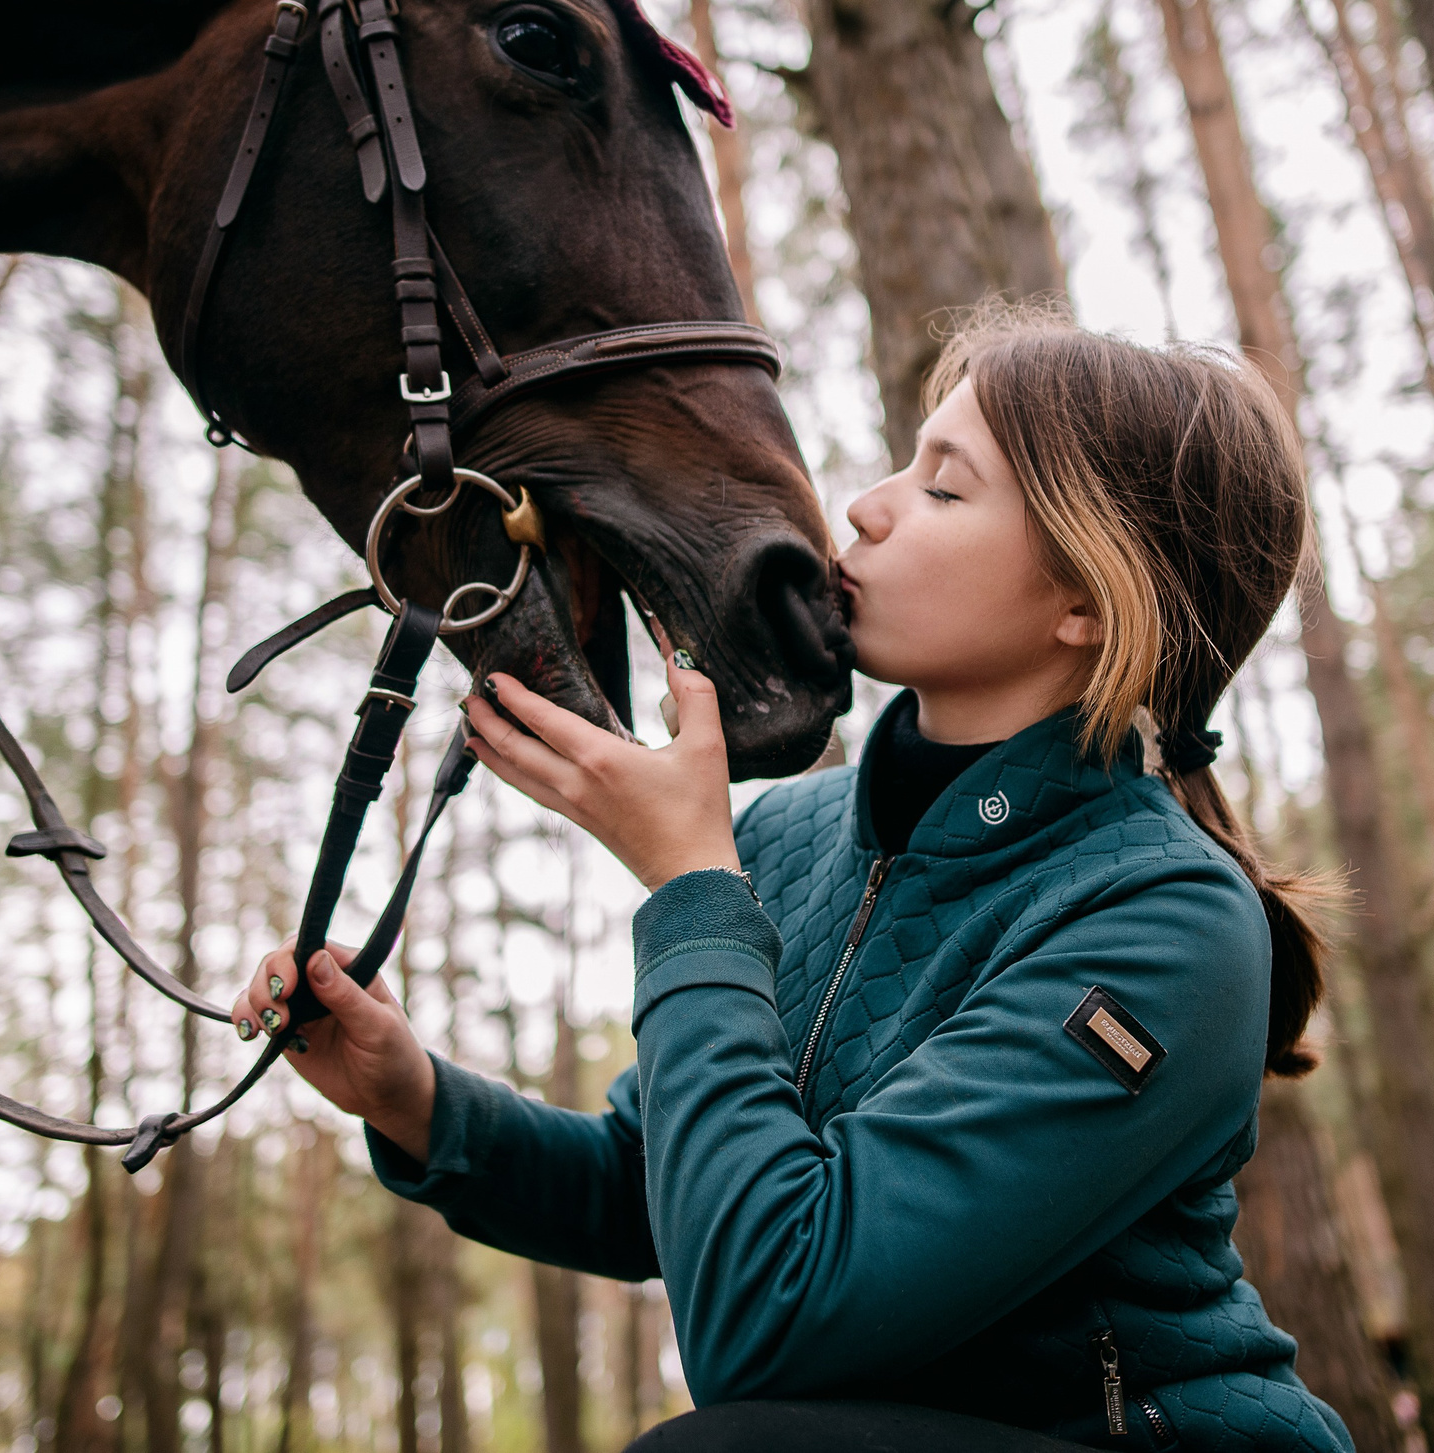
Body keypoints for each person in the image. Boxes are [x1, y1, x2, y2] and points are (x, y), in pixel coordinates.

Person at [234, 312, 1353, 1451]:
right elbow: (649, 1188)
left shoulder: (1164, 918)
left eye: (945, 489)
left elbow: (769, 1317)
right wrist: (412, 1096)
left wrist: (688, 883)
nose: (866, 503)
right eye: (906, 462)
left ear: (1085, 602)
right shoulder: (788, 834)